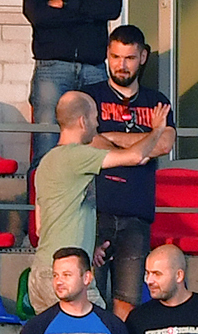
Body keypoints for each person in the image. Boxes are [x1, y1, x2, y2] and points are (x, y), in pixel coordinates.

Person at [20, 0, 120, 167]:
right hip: (52, 68)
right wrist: (90, 4)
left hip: (94, 67)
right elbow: (37, 15)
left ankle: (90, 208)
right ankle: (41, 209)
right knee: (46, 145)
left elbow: (112, 7)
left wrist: (65, 4)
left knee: (94, 146)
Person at [27, 91, 160, 269]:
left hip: (43, 270)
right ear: (83, 121)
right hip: (67, 274)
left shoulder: (46, 162)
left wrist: (90, 249)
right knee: (91, 299)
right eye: (95, 118)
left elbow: (39, 227)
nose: (97, 124)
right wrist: (157, 130)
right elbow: (136, 156)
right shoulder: (78, 156)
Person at [90, 29, 175, 307]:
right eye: (115, 56)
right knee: (92, 297)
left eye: (129, 58)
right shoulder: (89, 97)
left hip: (137, 215)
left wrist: (112, 138)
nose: (121, 65)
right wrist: (143, 143)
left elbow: (164, 144)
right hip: (95, 211)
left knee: (128, 301)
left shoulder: (157, 101)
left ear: (143, 57)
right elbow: (88, 141)